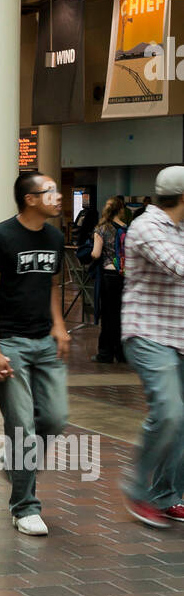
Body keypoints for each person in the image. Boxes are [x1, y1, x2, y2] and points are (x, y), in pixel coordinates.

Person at [0, 171, 69, 537]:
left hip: (44, 343)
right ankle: (25, 506)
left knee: (55, 419)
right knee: (23, 429)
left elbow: (51, 284)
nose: (58, 196)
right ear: (30, 199)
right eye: (50, 192)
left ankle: (14, 461)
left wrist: (59, 326)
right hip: (11, 344)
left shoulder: (56, 237)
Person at [120, 167, 184, 528]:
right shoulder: (147, 227)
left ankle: (166, 496)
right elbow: (178, 266)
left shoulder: (179, 228)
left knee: (182, 421)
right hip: (149, 334)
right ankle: (138, 487)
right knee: (169, 412)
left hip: (179, 336)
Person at [91, 196, 128, 364]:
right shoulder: (126, 228)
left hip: (108, 276)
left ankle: (105, 353)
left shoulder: (101, 229)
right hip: (123, 276)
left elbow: (95, 254)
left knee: (108, 316)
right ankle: (121, 354)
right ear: (121, 210)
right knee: (121, 315)